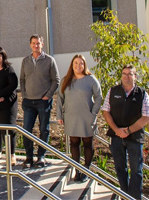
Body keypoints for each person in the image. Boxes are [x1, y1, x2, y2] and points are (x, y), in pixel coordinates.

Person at [102, 65, 149, 199]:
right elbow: (106, 111)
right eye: (124, 74)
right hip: (116, 137)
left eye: (130, 74)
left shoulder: (142, 93)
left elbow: (146, 117)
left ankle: (135, 197)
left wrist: (128, 130)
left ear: (135, 77)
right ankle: (125, 195)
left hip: (135, 137)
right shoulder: (113, 91)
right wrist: (117, 130)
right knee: (120, 168)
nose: (126, 76)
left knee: (137, 170)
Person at [56, 54, 102, 182]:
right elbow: (60, 98)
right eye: (76, 63)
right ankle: (77, 170)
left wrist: (93, 113)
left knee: (88, 144)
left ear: (84, 65)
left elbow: (99, 97)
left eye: (81, 63)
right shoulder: (66, 80)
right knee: (74, 144)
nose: (78, 65)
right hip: (71, 117)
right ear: (72, 65)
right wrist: (59, 115)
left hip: (87, 117)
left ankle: (86, 169)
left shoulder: (91, 79)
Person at [20, 34, 60, 168]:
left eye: (38, 43)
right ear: (30, 45)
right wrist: (24, 94)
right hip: (29, 102)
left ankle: (41, 156)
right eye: (33, 43)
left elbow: (56, 80)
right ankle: (29, 157)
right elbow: (22, 80)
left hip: (43, 102)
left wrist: (48, 96)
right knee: (26, 129)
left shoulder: (49, 60)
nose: (36, 45)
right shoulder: (25, 61)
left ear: (42, 45)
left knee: (44, 129)